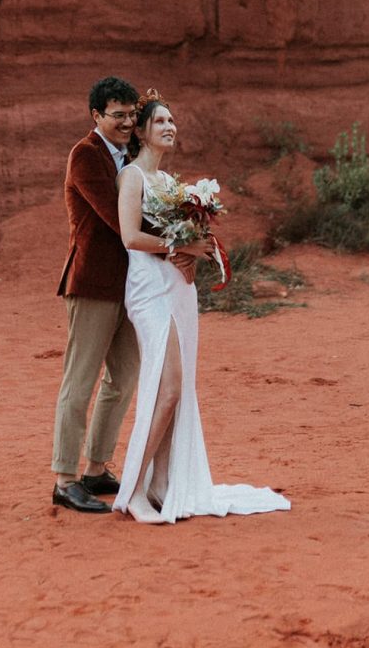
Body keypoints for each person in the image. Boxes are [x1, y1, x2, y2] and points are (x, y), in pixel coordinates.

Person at [113, 90, 292, 524]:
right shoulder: (132, 177)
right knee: (167, 388)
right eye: (160, 122)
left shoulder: (173, 185)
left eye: (172, 121)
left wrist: (196, 251)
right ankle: (133, 490)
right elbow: (130, 237)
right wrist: (179, 245)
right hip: (148, 288)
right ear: (140, 131)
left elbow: (188, 240)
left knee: (179, 388)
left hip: (178, 288)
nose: (169, 127)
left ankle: (161, 483)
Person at [51, 76, 142, 513]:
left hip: (131, 288)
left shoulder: (133, 156)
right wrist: (178, 236)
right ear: (96, 116)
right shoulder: (85, 156)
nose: (127, 122)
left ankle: (96, 469)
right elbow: (117, 218)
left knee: (122, 380)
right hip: (92, 286)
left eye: (131, 114)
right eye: (117, 114)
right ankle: (65, 479)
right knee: (80, 381)